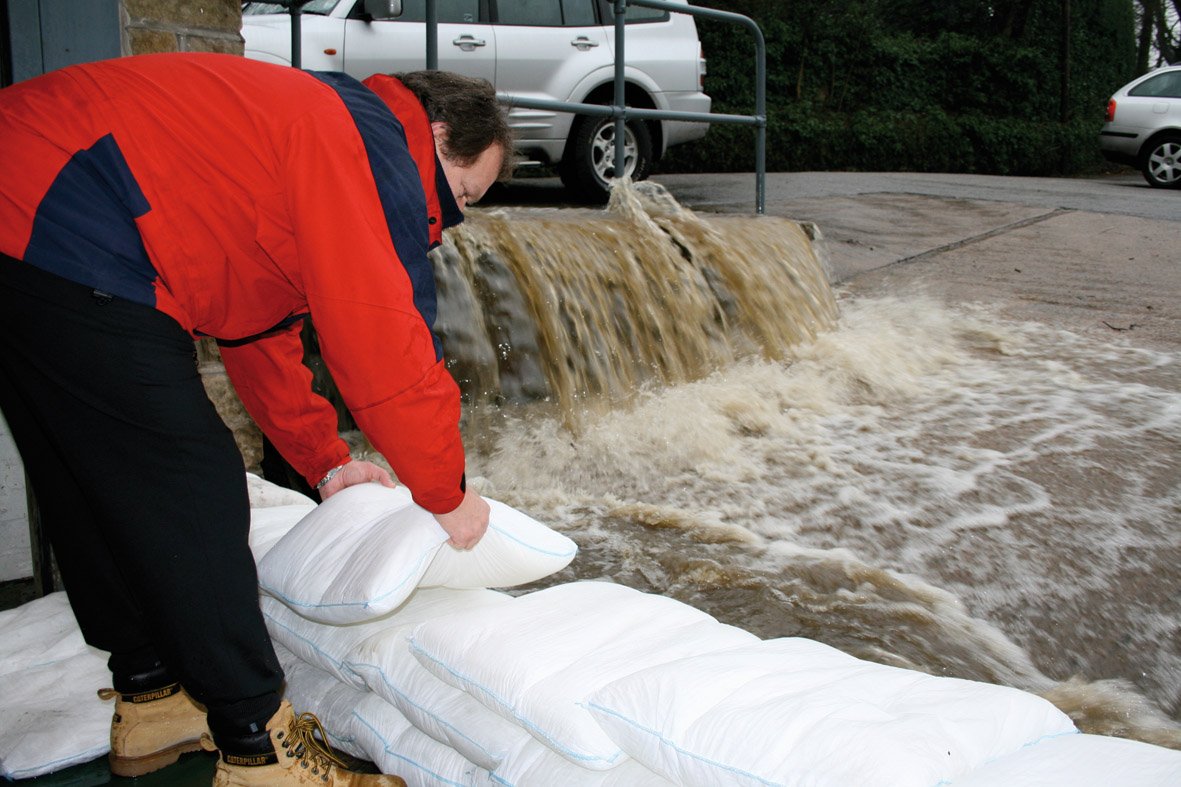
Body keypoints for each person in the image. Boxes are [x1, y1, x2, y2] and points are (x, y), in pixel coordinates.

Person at [0, 52, 512, 785]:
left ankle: (152, 697)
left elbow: (257, 329)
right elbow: (383, 338)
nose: (445, 222)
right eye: (459, 193)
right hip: (66, 204)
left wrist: (325, 459)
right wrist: (446, 490)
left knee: (93, 469)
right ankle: (258, 746)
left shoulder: (302, 134)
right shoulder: (366, 149)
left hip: (26, 203)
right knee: (192, 483)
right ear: (431, 134)